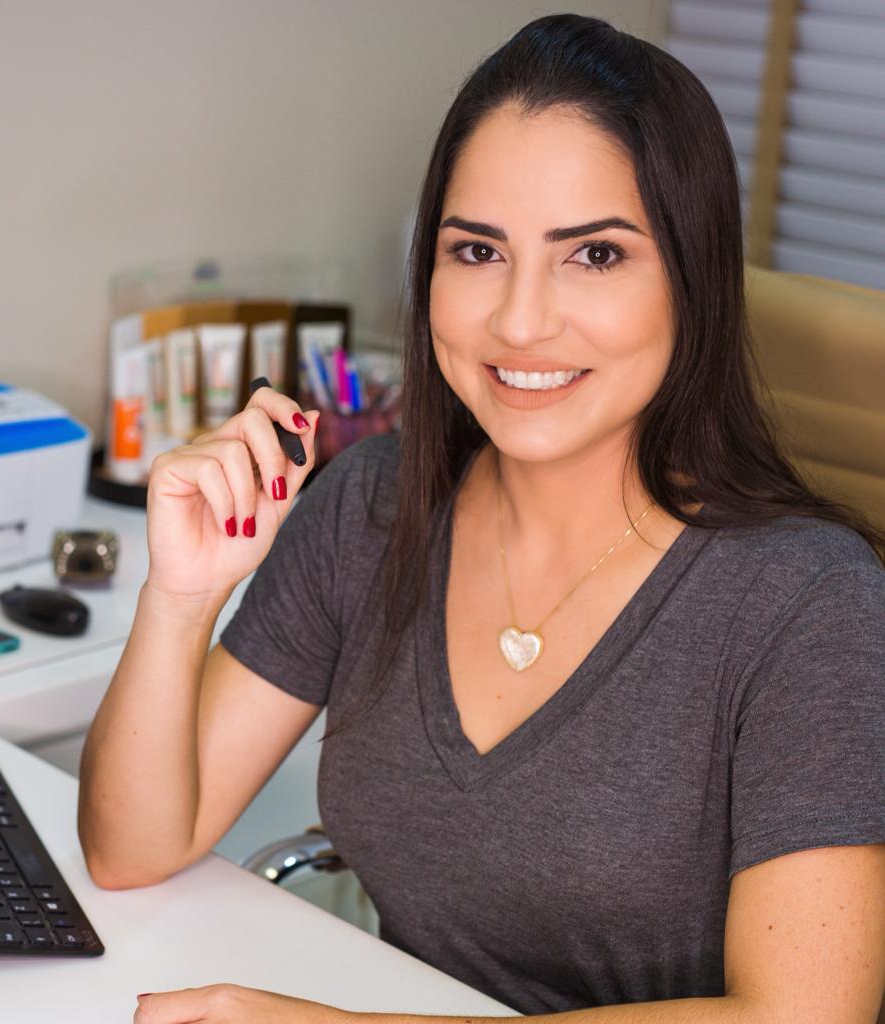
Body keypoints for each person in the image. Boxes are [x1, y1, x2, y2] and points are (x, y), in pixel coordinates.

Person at [77, 13, 885, 1024]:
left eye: (592, 254)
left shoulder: (806, 599)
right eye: (476, 251)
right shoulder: (369, 506)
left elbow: (800, 1018)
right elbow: (132, 846)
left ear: (691, 278)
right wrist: (180, 598)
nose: (516, 321)